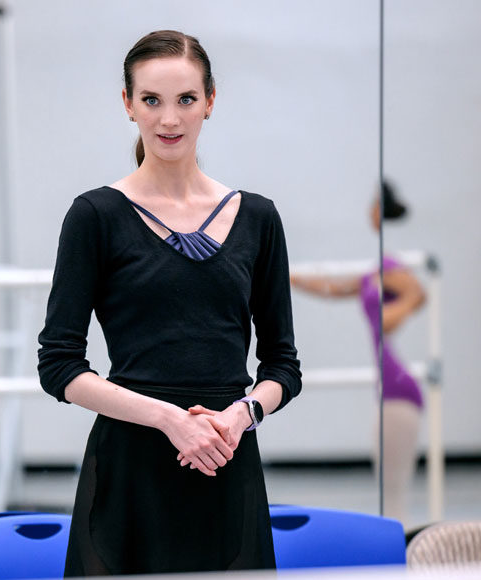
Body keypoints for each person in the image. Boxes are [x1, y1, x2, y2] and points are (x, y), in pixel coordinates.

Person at [37, 30, 302, 575]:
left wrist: (243, 414)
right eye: (151, 100)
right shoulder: (95, 216)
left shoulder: (258, 217)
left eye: (185, 100)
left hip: (226, 460)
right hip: (130, 470)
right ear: (128, 106)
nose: (169, 119)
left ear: (209, 101)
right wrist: (168, 420)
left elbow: (282, 365)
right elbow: (58, 366)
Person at [291, 181, 426, 522]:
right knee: (387, 486)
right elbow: (335, 289)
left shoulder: (392, 268)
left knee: (393, 492)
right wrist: (288, 275)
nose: (368, 213)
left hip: (398, 387)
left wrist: (391, 315)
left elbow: (418, 295)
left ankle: (400, 562)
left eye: (372, 206)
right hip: (389, 384)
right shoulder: (374, 272)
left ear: (380, 211)